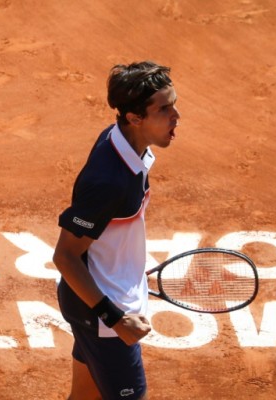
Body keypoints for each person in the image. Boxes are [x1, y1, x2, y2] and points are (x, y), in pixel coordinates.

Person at [52, 61, 181, 400]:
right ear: (135, 118)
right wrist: (116, 319)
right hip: (104, 314)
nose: (176, 116)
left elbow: (111, 229)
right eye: (164, 109)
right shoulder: (109, 180)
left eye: (174, 104)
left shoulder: (125, 143)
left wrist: (126, 268)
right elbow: (65, 256)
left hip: (100, 300)